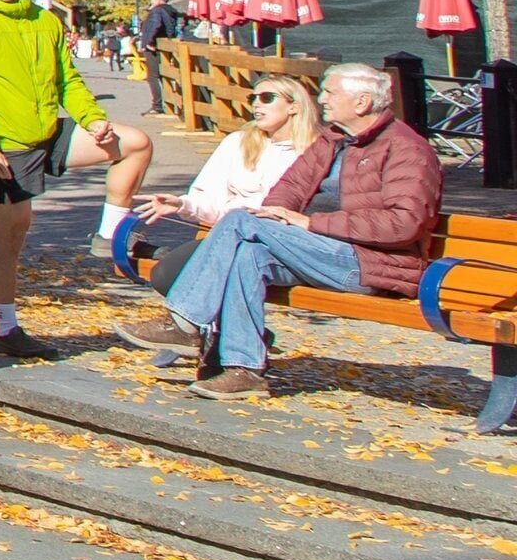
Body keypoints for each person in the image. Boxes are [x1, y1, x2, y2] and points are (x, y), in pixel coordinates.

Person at [118, 59, 445, 400]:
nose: (322, 100)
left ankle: (184, 323)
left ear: (361, 103)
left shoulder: (406, 149)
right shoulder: (334, 140)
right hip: (316, 250)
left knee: (241, 221)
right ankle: (244, 371)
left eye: (330, 93)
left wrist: (310, 223)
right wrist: (278, 216)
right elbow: (288, 189)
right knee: (249, 253)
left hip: (369, 264)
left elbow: (403, 224)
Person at [0, 0, 153, 358]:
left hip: (50, 132)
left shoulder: (45, 20)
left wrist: (93, 119)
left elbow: (69, 80)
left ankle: (109, 233)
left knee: (135, 143)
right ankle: (6, 329)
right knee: (11, 234)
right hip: (4, 145)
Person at [123, 69, 317, 291]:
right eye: (253, 98)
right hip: (228, 236)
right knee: (167, 273)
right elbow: (211, 199)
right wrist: (182, 204)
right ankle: (208, 326)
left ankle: (202, 325)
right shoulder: (238, 142)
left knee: (191, 274)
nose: (257, 104)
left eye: (267, 98)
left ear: (294, 106)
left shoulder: (315, 150)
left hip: (280, 243)